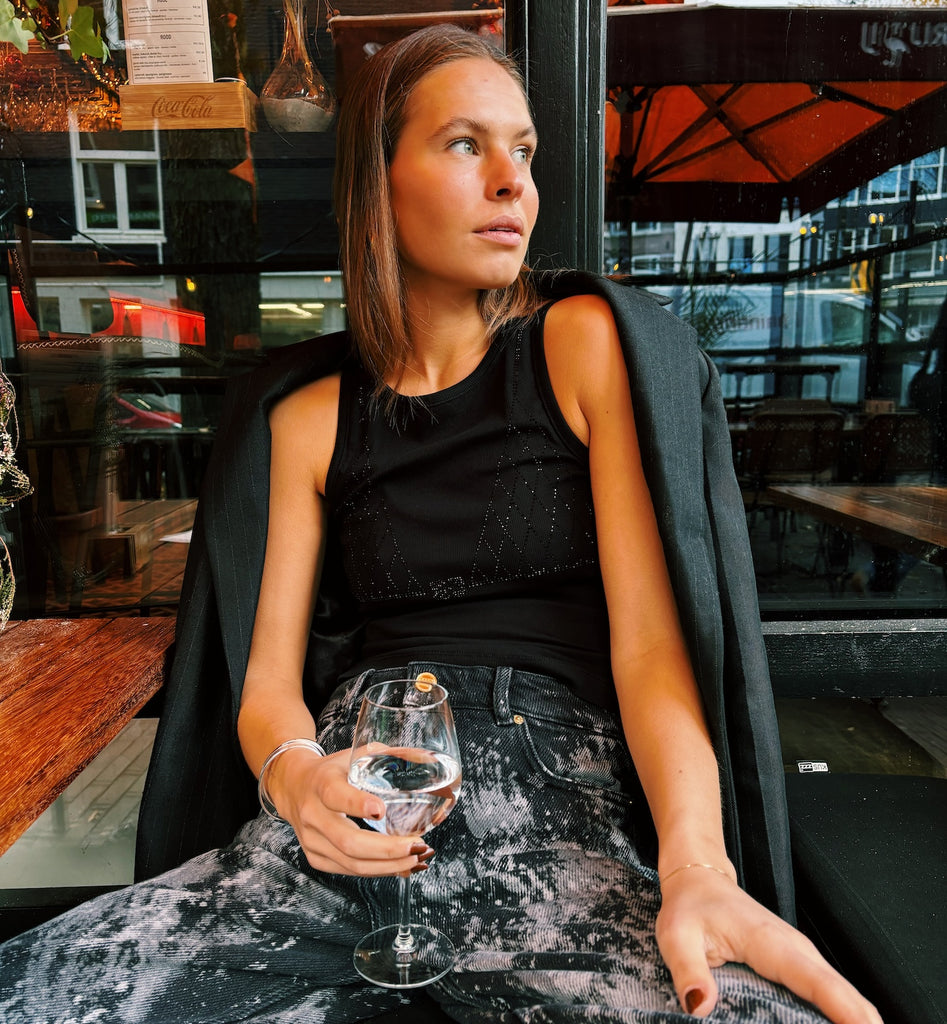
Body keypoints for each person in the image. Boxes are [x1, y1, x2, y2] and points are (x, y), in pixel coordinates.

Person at [0, 25, 881, 1024]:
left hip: (551, 817)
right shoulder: (305, 416)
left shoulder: (579, 345)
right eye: (465, 144)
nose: (513, 182)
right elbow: (266, 686)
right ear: (377, 181)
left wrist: (697, 868)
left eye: (524, 151)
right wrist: (297, 782)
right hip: (349, 809)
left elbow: (648, 649)